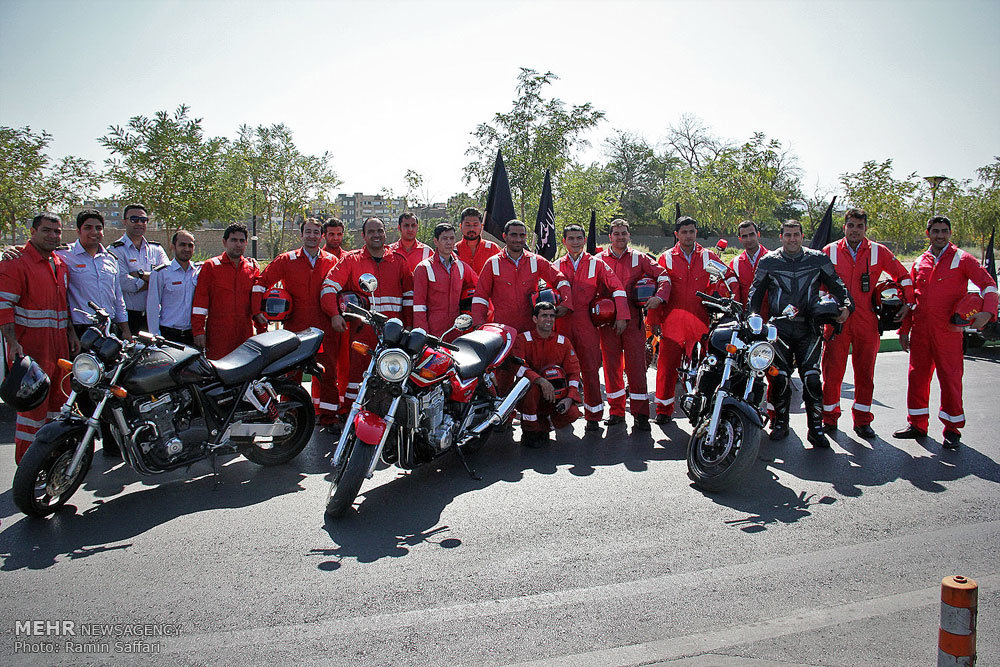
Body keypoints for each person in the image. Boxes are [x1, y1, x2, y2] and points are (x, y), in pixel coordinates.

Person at [894, 215, 998, 448]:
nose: (940, 235)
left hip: (949, 332)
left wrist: (988, 312)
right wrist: (904, 329)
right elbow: (912, 300)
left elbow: (989, 285)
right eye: (936, 231)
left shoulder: (963, 259)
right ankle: (917, 424)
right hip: (921, 332)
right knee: (917, 378)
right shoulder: (920, 262)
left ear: (950, 234)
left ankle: (952, 428)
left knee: (950, 380)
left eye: (944, 231)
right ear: (928, 233)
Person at [749, 220, 852, 448]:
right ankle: (780, 423)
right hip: (780, 329)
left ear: (802, 236)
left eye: (796, 234)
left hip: (810, 327)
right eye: (788, 235)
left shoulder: (818, 259)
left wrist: (846, 306)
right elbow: (755, 294)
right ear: (781, 236)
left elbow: (838, 286)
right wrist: (753, 319)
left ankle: (816, 429)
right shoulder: (768, 262)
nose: (792, 239)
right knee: (779, 378)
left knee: (813, 379)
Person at [820, 208, 914, 439]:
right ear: (844, 227)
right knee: (832, 373)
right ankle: (829, 418)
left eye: (859, 226)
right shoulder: (828, 251)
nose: (855, 230)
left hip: (867, 321)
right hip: (837, 322)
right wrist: (826, 306)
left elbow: (904, 277)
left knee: (865, 374)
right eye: (851, 225)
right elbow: (816, 285)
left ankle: (862, 421)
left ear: (865, 228)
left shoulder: (878, 252)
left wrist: (908, 302)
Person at [648, 216, 738, 425]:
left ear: (696, 233)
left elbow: (729, 278)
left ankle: (706, 406)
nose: (688, 235)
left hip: (701, 320)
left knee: (712, 364)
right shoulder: (666, 258)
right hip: (673, 321)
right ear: (676, 235)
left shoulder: (709, 256)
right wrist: (654, 321)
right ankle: (663, 408)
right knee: (667, 366)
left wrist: (725, 300)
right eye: (684, 232)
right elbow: (657, 289)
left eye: (691, 231)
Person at [0, 213, 73, 463]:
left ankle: (50, 461)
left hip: (59, 347)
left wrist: (71, 335)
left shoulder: (60, 263)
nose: (53, 236)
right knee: (32, 411)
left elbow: (64, 307)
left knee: (58, 406)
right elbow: (4, 306)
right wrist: (12, 343)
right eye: (46, 231)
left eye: (57, 231)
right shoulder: (15, 261)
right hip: (31, 348)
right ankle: (27, 465)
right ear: (32, 232)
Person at [321, 217, 413, 413]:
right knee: (357, 378)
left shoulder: (398, 261)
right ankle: (351, 418)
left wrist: (410, 326)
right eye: (371, 231)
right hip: (362, 332)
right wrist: (334, 315)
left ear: (385, 233)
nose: (376, 235)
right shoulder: (351, 260)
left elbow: (410, 297)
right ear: (363, 236)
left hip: (393, 335)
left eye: (379, 231)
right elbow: (328, 287)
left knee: (392, 376)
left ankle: (388, 418)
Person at [256, 218, 341, 425]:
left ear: (322, 236)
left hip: (324, 328)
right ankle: (289, 415)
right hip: (295, 328)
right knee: (291, 375)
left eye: (316, 232)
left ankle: (329, 417)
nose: (312, 236)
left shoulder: (332, 261)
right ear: (301, 235)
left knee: (328, 374)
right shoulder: (286, 260)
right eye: (308, 232)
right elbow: (261, 283)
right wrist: (258, 310)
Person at [597, 219, 670, 430]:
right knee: (611, 368)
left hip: (634, 322)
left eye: (624, 233)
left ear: (629, 236)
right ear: (609, 237)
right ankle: (617, 412)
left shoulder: (640, 258)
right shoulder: (598, 260)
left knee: (637, 368)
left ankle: (640, 415)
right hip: (608, 323)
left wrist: (660, 297)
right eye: (616, 233)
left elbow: (663, 276)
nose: (620, 237)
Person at [555, 224, 629, 430]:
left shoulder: (596, 264)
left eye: (579, 238)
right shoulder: (556, 265)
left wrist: (621, 316)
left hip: (587, 325)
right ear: (564, 241)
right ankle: (562, 415)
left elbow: (617, 288)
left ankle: (593, 416)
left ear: (585, 240)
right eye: (571, 238)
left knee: (589, 371)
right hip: (562, 324)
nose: (576, 242)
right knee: (560, 371)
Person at [470, 219, 571, 333]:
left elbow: (560, 279)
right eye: (514, 235)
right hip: (503, 330)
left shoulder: (535, 260)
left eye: (522, 235)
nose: (518, 239)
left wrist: (566, 303)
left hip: (531, 329)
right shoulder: (493, 263)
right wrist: (479, 324)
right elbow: (480, 297)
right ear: (504, 236)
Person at [511, 301, 582, 447]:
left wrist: (569, 398)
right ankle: (530, 432)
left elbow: (574, 373)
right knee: (531, 388)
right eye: (544, 316)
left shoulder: (563, 342)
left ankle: (545, 426)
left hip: (555, 397)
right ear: (535, 319)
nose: (549, 319)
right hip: (530, 396)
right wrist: (541, 382)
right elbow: (518, 368)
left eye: (552, 316)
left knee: (573, 413)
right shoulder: (522, 339)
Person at [191, 223, 265, 360]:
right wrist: (198, 331)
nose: (238, 244)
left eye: (241, 241)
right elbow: (200, 303)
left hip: (245, 336)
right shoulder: (211, 266)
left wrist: (261, 330)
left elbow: (256, 303)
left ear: (246, 243)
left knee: (245, 375)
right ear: (224, 242)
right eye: (234, 240)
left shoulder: (252, 268)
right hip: (218, 337)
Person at [58, 210, 131, 340]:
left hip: (109, 328)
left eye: (98, 228)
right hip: (80, 330)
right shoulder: (64, 255)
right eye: (88, 228)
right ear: (78, 231)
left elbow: (118, 298)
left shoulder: (111, 259)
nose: (94, 232)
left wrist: (125, 330)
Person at [108, 204, 169, 334]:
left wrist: (139, 275)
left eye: (143, 220)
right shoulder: (115, 250)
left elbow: (166, 277)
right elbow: (124, 283)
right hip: (129, 319)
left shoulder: (156, 249)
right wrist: (154, 281)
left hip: (154, 317)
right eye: (134, 219)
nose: (139, 223)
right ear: (124, 222)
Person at [412, 223, 478, 339]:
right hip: (433, 331)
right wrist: (422, 335)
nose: (449, 242)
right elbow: (419, 307)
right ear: (436, 241)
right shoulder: (424, 268)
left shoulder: (461, 266)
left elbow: (479, 287)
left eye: (452, 238)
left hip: (456, 330)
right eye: (444, 238)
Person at [146, 230, 199, 345]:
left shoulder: (198, 271)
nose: (187, 249)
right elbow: (152, 307)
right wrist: (155, 336)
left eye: (190, 245)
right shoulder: (161, 272)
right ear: (173, 247)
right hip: (169, 334)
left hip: (192, 335)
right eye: (182, 245)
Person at [729, 220, 769, 308]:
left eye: (752, 234)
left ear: (758, 234)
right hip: (746, 317)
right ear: (739, 239)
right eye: (744, 236)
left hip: (770, 317)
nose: (749, 239)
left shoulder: (771, 259)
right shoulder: (735, 263)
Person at [455, 207, 501, 275]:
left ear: (481, 226)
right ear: (461, 226)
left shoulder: (492, 248)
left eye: (475, 225)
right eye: (467, 225)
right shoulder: (453, 250)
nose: (471, 229)